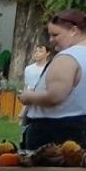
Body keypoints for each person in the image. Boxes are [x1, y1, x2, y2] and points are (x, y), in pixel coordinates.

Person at [19, 9, 86, 149]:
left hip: (53, 131)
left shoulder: (67, 57)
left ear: (74, 30)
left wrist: (28, 97)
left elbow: (54, 96)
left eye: (55, 34)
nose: (51, 40)